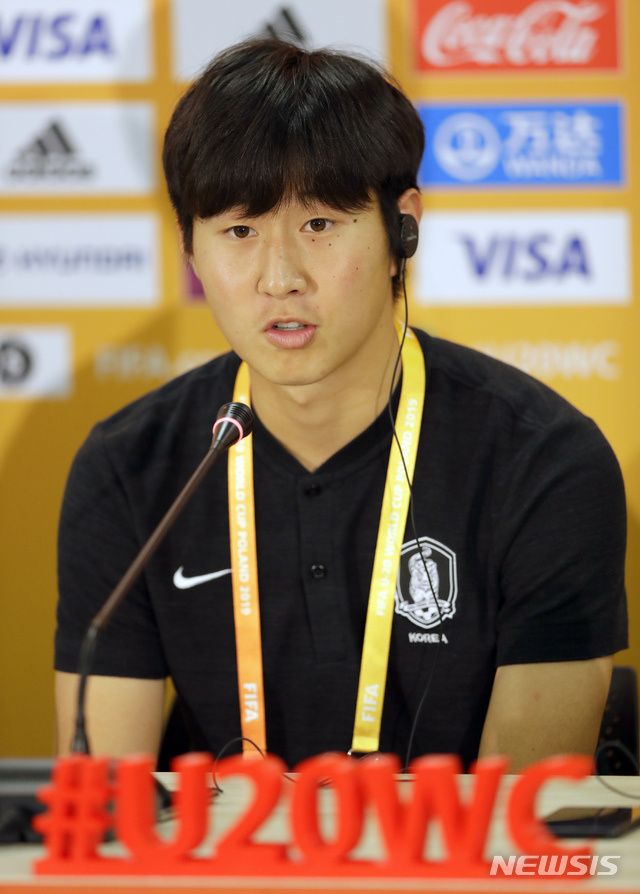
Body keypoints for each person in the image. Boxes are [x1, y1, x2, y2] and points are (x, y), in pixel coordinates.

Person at [54, 38, 627, 772]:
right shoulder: (131, 466)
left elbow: (522, 817)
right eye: (238, 231)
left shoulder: (544, 462)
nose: (279, 277)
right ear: (190, 252)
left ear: (401, 231)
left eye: (319, 224)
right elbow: (107, 808)